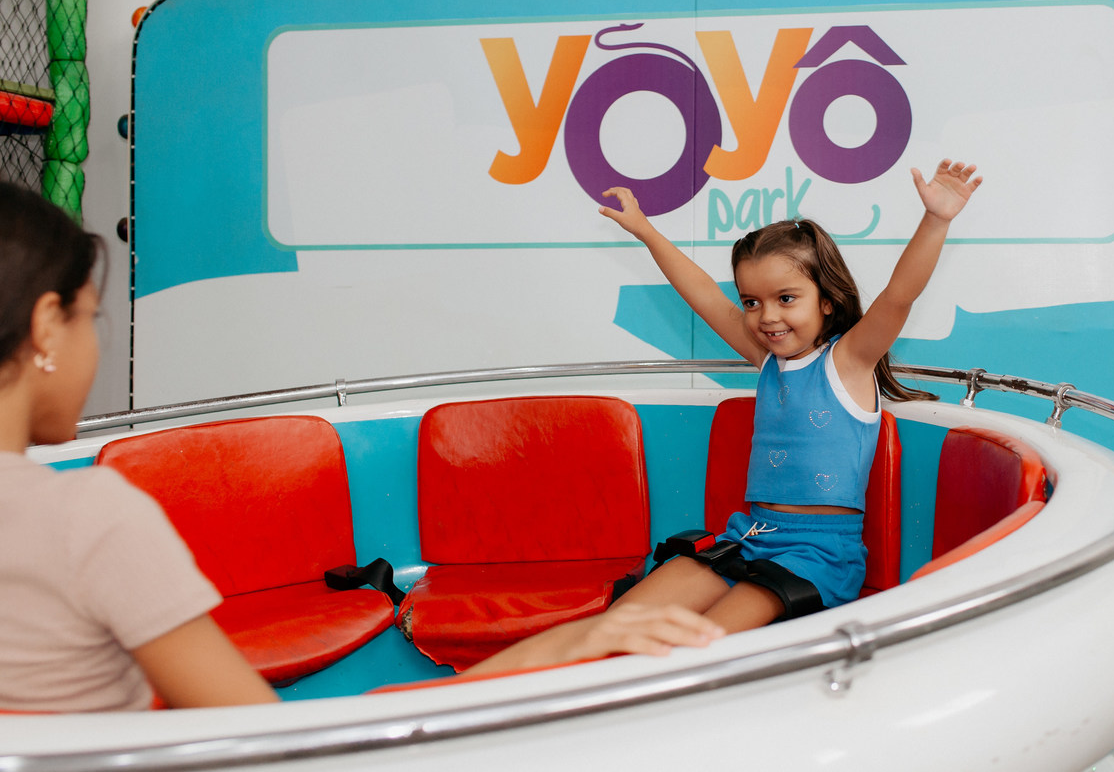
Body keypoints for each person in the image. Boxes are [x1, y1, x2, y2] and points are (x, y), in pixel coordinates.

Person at [0, 181, 722, 711]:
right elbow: (268, 744)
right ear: (45, 326)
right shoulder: (87, 515)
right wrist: (564, 647)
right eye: (90, 318)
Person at [598, 159, 982, 632]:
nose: (766, 316)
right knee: (622, 622)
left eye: (786, 298)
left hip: (819, 553)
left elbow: (899, 296)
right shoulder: (766, 359)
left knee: (704, 642)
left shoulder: (849, 361)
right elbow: (702, 293)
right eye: (751, 302)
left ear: (827, 300)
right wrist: (645, 230)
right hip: (750, 535)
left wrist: (936, 219)